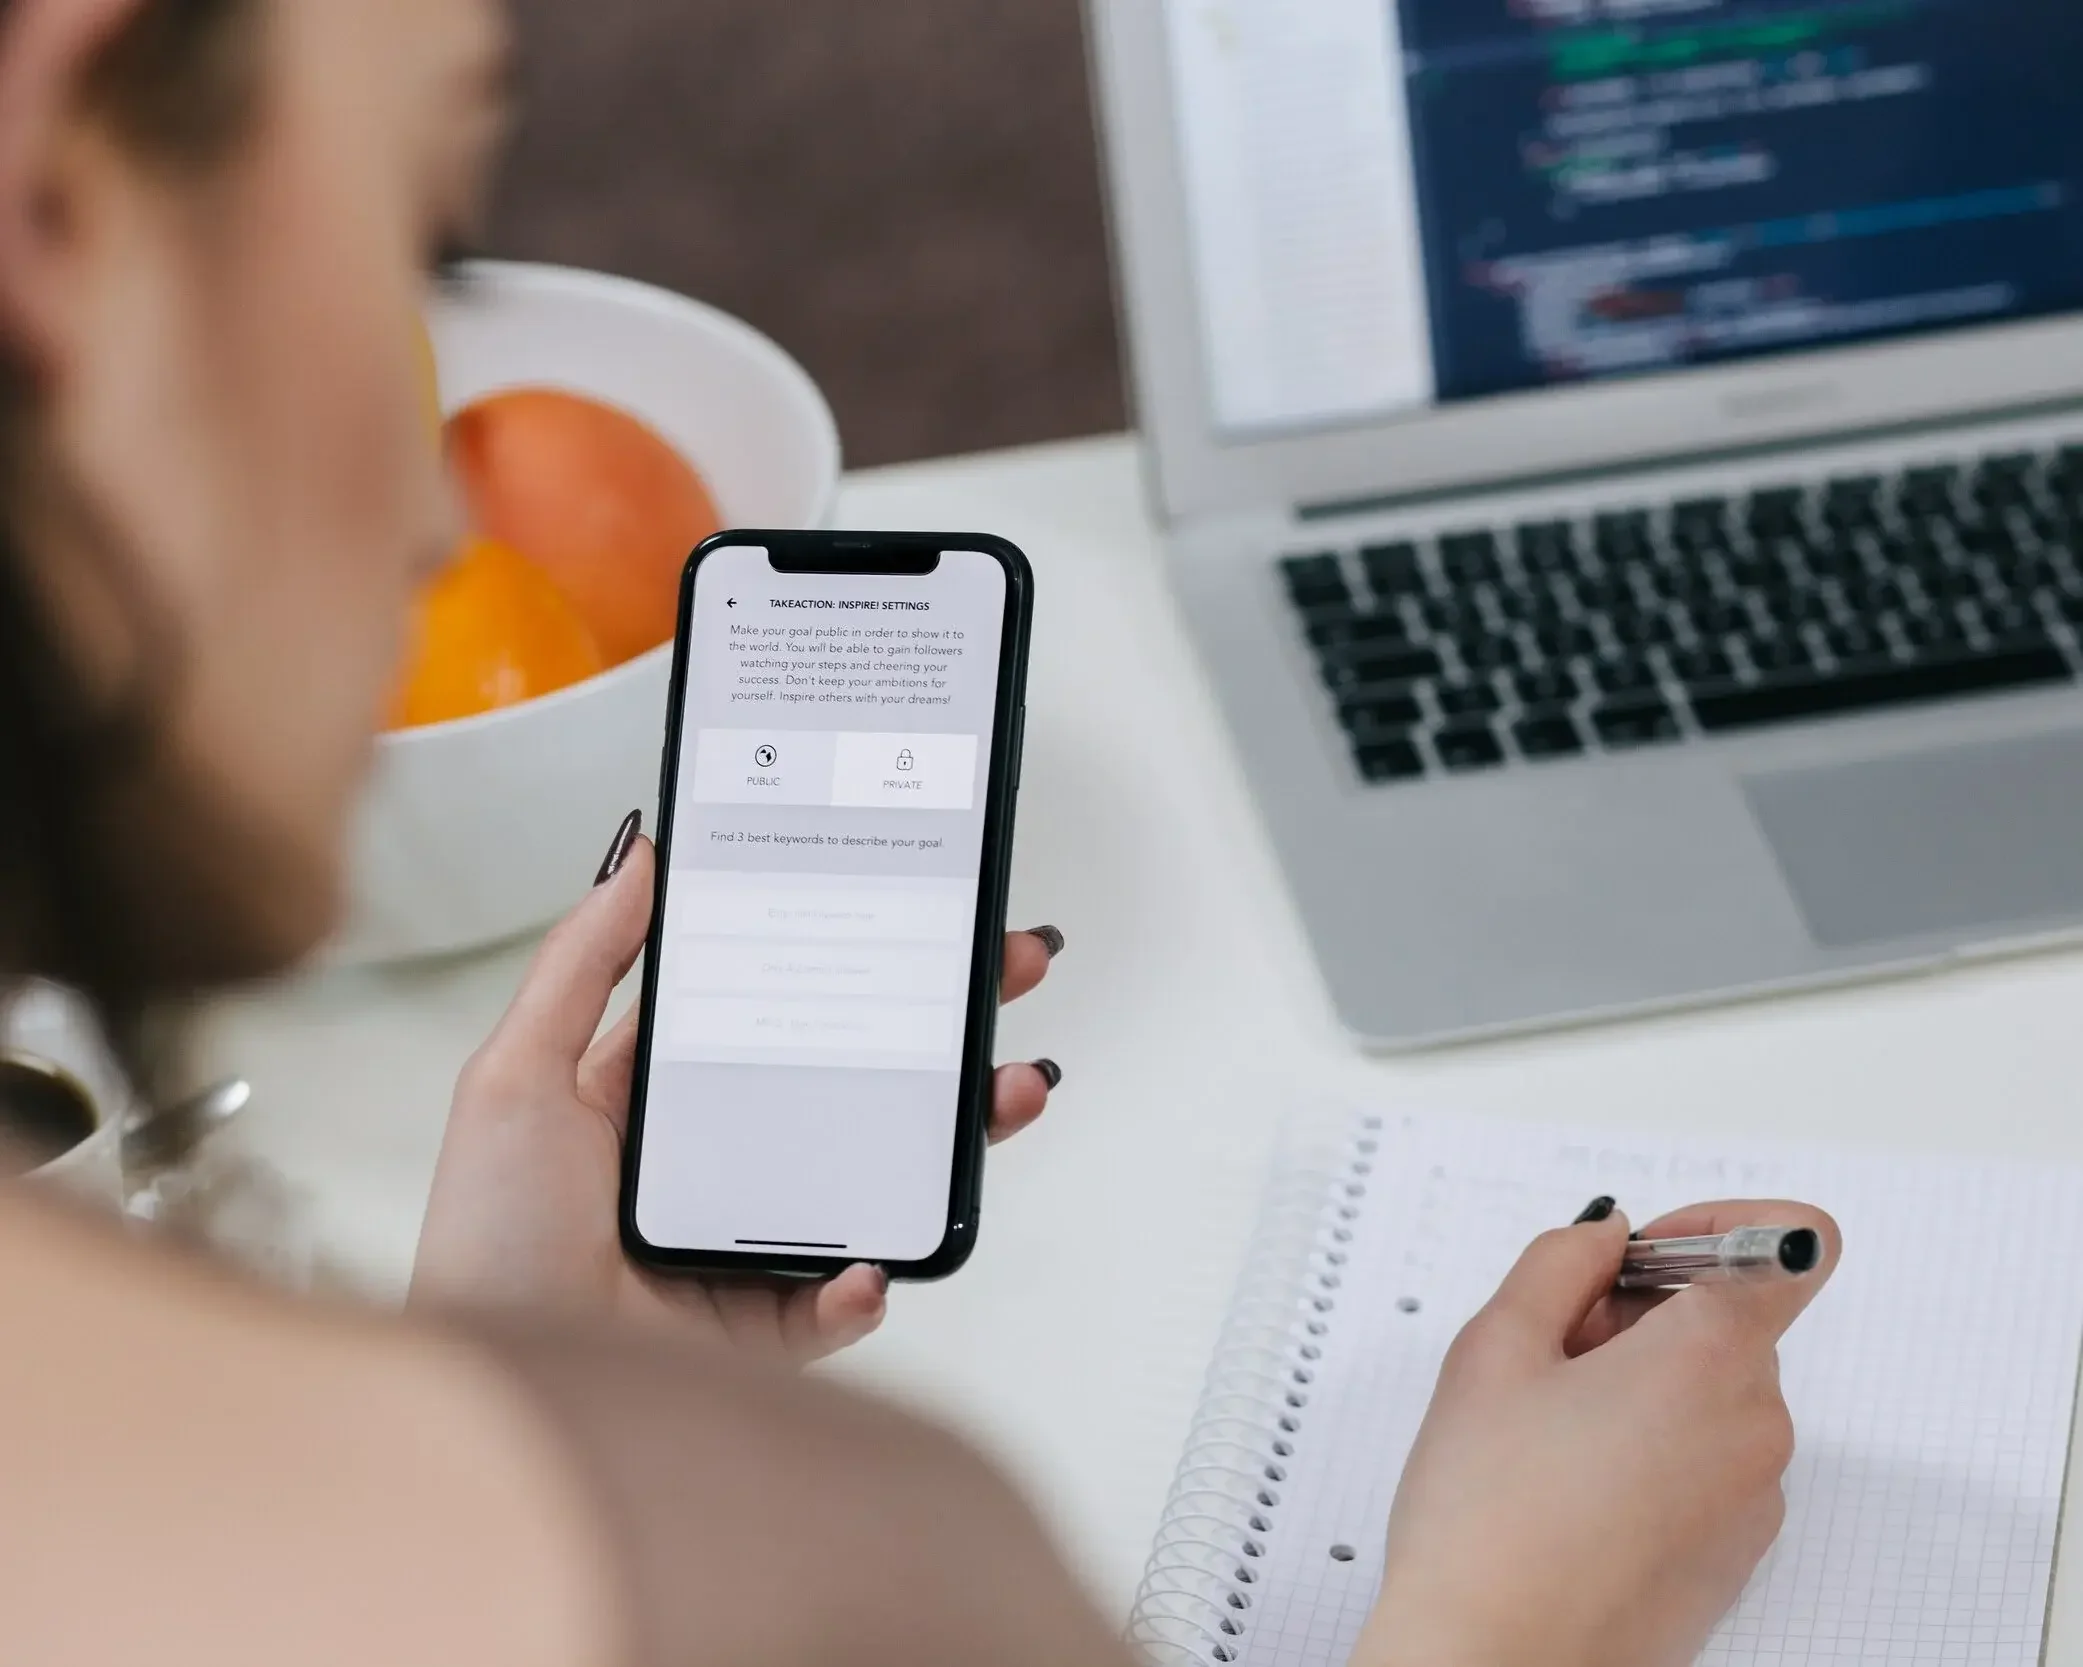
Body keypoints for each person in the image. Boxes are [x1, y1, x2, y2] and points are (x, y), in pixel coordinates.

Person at [0, 0, 1840, 1662]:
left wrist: (516, 1363)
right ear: (53, 189)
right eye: (420, 246)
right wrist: (1518, 1619)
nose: (437, 512)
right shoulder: (806, 1582)